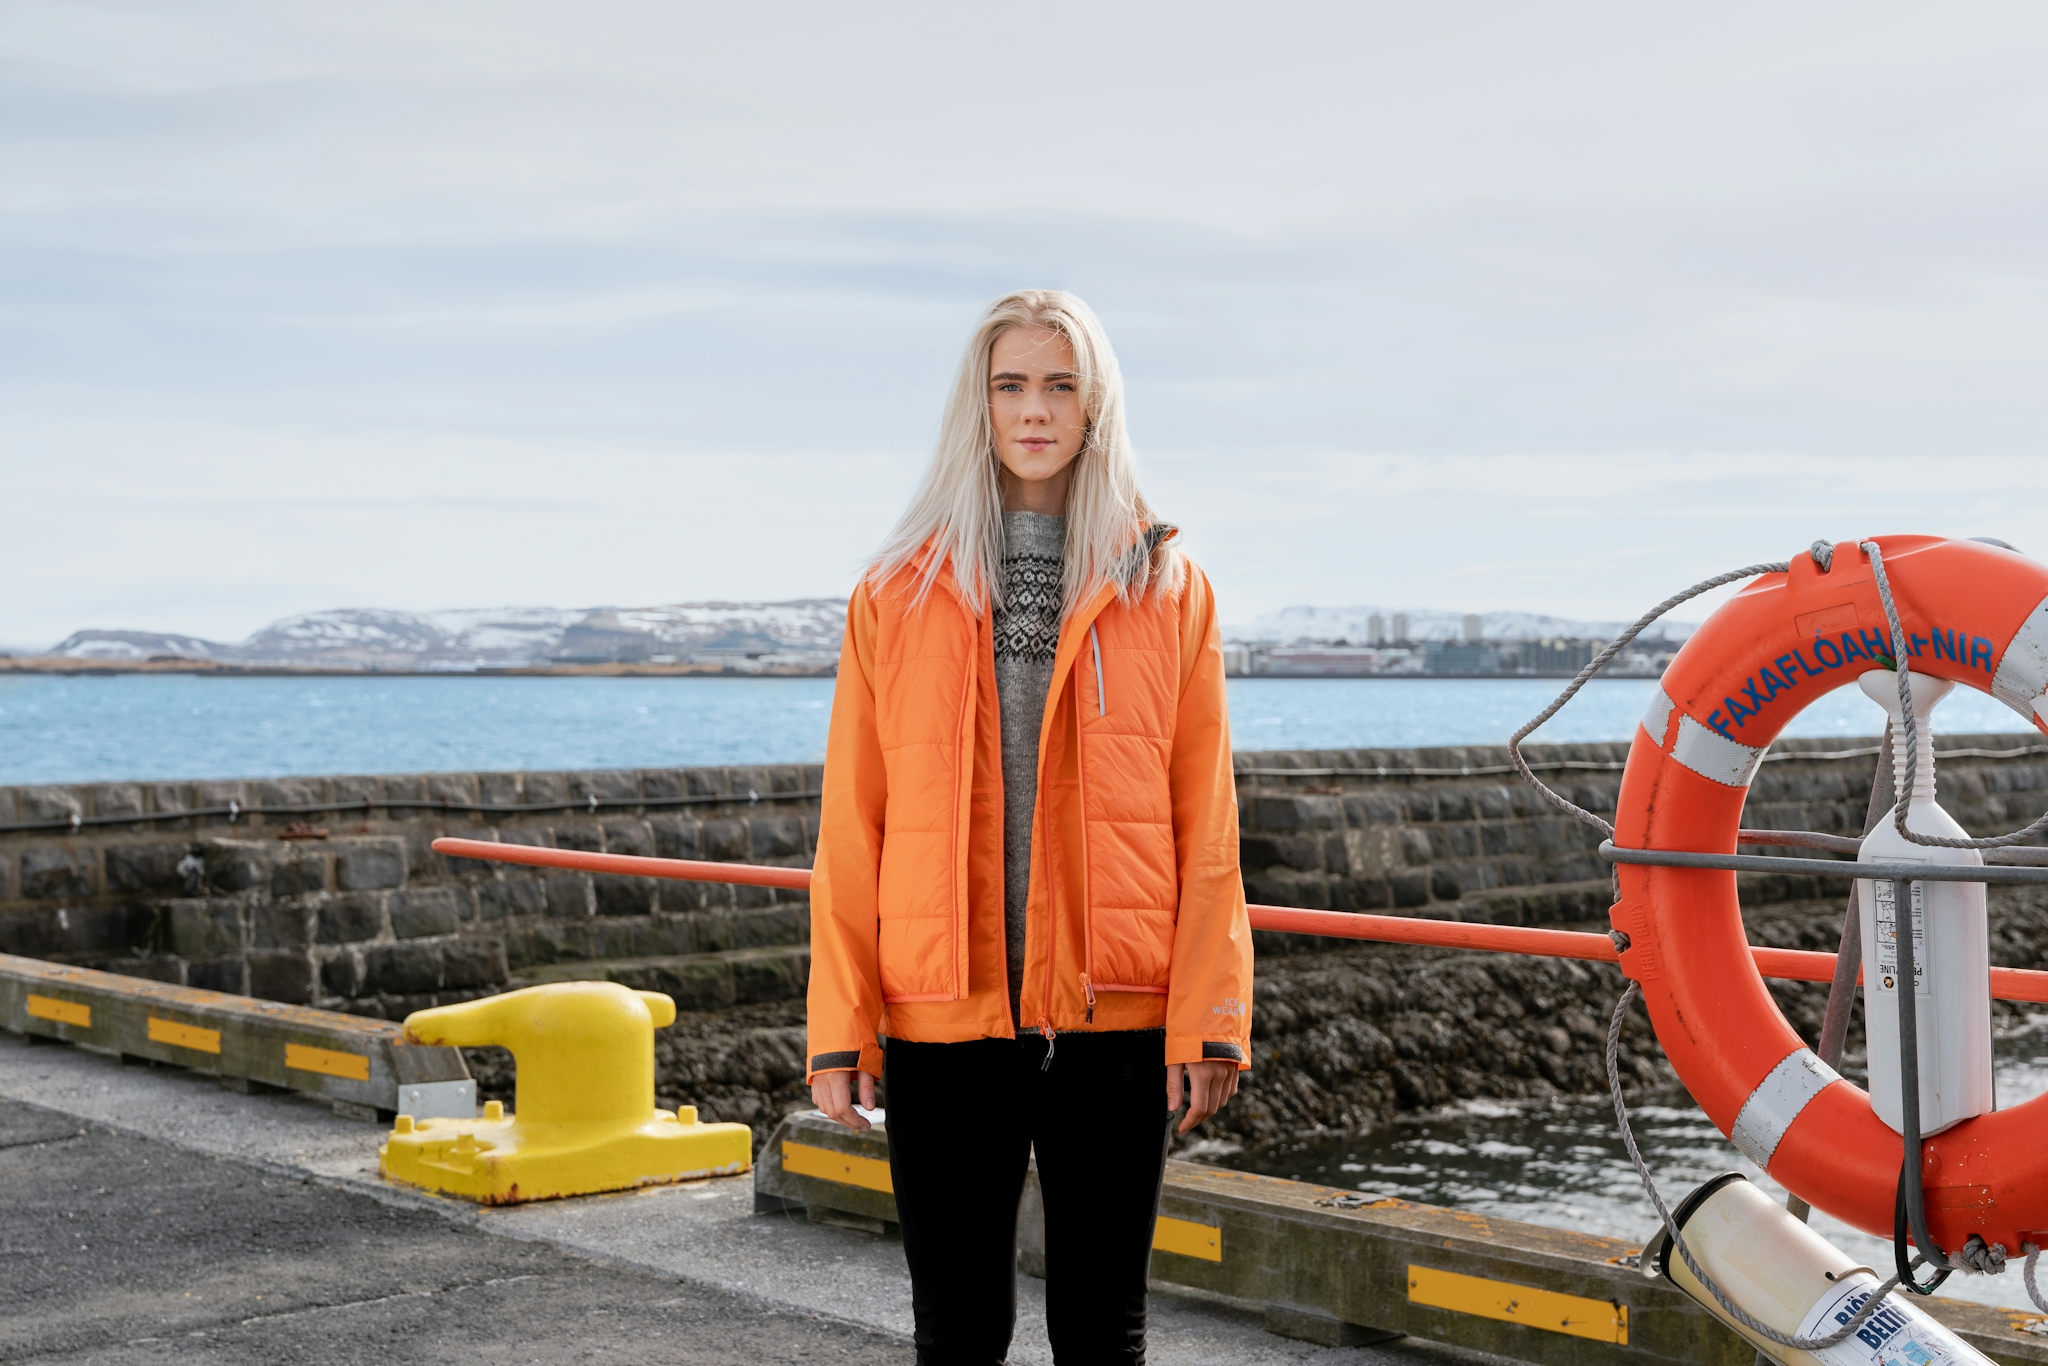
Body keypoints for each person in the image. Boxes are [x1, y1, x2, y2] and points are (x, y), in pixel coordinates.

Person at [805, 289, 1251, 1366]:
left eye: (1060, 384)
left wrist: (1209, 1016)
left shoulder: (1166, 586)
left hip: (1116, 1021)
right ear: (979, 403)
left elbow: (1206, 825)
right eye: (1011, 385)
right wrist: (840, 1023)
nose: (1035, 409)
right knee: (957, 1331)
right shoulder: (894, 591)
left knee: (1103, 1330)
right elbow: (850, 826)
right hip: (939, 1018)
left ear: (1096, 405)